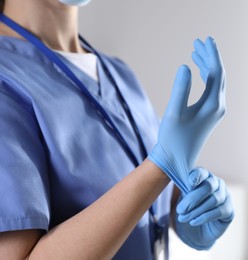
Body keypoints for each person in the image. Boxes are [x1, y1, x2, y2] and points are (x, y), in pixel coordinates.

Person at [0, 0, 234, 259]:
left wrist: (194, 206)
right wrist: (159, 168)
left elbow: (152, 192)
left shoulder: (118, 74)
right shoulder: (5, 80)